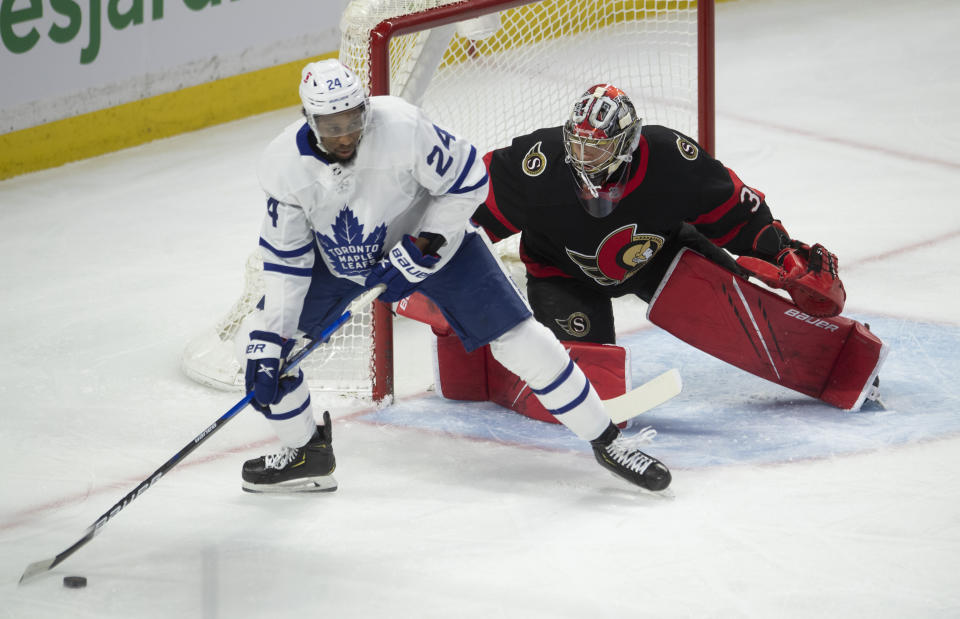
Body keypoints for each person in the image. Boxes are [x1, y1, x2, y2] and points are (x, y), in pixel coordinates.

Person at [239, 61, 672, 495]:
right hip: (339, 261)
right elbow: (286, 264)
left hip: (435, 244)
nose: (346, 134)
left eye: (352, 119)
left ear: (365, 109)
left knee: (524, 341)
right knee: (261, 347)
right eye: (331, 126)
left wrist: (425, 245)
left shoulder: (402, 127)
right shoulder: (283, 167)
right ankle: (305, 451)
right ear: (309, 119)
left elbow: (468, 181)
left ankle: (608, 441)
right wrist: (270, 341)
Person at [469, 83, 884, 410]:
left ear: (627, 142)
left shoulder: (670, 158)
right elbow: (469, 203)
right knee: (590, 379)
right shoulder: (537, 163)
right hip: (561, 275)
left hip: (663, 258)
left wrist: (784, 254)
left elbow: (736, 209)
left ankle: (831, 357)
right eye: (577, 144)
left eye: (596, 147)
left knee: (750, 307)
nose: (583, 156)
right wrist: (438, 257)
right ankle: (489, 371)